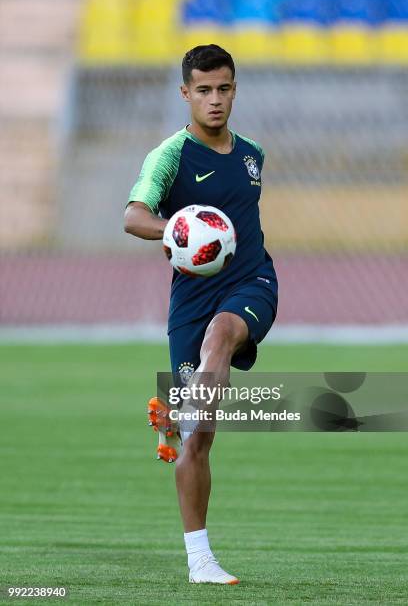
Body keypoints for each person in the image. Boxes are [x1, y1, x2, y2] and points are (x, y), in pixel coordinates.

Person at [124, 44, 278, 584]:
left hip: (251, 283)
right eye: (204, 90)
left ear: (235, 89)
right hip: (189, 298)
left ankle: (186, 404)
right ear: (185, 93)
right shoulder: (169, 156)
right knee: (198, 441)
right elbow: (133, 216)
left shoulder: (253, 154)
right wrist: (179, 231)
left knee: (223, 333)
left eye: (225, 88)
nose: (216, 100)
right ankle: (200, 562)